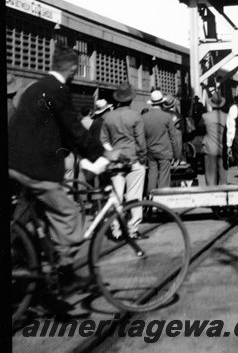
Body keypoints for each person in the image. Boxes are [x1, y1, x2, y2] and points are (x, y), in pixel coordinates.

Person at [8, 47, 118, 295]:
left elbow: (55, 130)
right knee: (69, 214)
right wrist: (104, 153)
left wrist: (80, 150)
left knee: (43, 218)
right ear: (71, 69)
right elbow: (74, 129)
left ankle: (36, 256)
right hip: (35, 166)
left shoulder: (35, 87)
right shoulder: (58, 90)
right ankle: (65, 274)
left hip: (16, 162)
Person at [100, 82, 147, 238]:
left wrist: (112, 153)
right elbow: (141, 142)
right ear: (130, 99)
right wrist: (142, 158)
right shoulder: (136, 116)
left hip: (115, 161)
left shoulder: (108, 117)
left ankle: (116, 229)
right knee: (134, 196)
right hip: (133, 160)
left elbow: (104, 141)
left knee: (117, 196)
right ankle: (132, 228)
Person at [142, 89, 180, 192]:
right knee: (164, 176)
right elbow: (173, 137)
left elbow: (142, 136)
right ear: (162, 102)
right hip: (164, 151)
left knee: (152, 175)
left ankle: (151, 198)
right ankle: (161, 200)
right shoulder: (167, 117)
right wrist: (177, 155)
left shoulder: (144, 117)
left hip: (150, 151)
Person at [201, 93, 228, 186]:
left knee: (210, 179)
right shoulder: (227, 116)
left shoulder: (205, 116)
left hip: (209, 149)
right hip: (223, 149)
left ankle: (212, 197)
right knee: (223, 178)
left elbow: (200, 129)